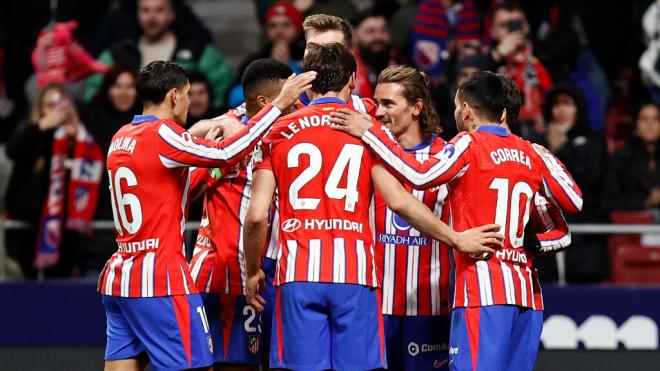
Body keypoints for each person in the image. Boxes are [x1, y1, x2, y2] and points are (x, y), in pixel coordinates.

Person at [243, 43, 502, 371]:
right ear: (352, 79)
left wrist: (252, 272)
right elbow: (398, 200)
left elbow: (255, 217)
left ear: (309, 81)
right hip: (356, 277)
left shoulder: (277, 132)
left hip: (298, 273)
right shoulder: (366, 133)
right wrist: (457, 239)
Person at [330, 71, 583, 370]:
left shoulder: (467, 144)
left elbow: (419, 176)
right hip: (527, 294)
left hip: (481, 289)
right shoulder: (530, 153)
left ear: (465, 110)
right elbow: (573, 207)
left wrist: (371, 134)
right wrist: (543, 157)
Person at [98, 60, 314, 371]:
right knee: (197, 365)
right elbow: (228, 152)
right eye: (187, 94)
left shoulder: (122, 135)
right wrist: (280, 104)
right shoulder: (163, 134)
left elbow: (174, 188)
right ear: (174, 96)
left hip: (120, 275)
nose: (190, 102)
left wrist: (206, 152)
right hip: (161, 277)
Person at [187, 58, 294, 370]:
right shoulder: (228, 134)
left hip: (264, 272)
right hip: (224, 272)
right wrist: (213, 141)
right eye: (289, 97)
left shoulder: (289, 134)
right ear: (265, 102)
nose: (296, 104)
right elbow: (185, 187)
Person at [5, 84, 102, 278]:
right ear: (40, 109)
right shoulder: (31, 132)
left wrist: (77, 142)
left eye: (61, 106)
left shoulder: (83, 141)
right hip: (27, 236)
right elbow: (13, 150)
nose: (57, 112)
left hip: (68, 241)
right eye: (50, 105)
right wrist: (41, 126)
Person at [85, 0, 234, 109]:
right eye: (145, 10)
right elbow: (92, 92)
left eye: (159, 10)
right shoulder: (119, 53)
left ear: (172, 15)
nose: (152, 17)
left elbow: (223, 89)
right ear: (137, 14)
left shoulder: (198, 52)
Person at [80, 65, 141, 275]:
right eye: (117, 86)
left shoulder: (146, 124)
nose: (124, 93)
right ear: (107, 89)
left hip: (138, 233)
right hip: (96, 228)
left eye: (129, 86)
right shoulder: (89, 120)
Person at [605, 102, 660, 218]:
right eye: (644, 119)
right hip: (632, 227)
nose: (650, 124)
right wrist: (647, 202)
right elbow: (610, 199)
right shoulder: (620, 159)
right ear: (635, 126)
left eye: (656, 119)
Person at [350, 9, 398, 98]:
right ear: (354, 36)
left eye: (383, 30)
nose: (378, 36)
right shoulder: (344, 68)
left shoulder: (400, 62)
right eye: (370, 31)